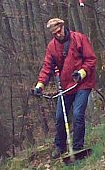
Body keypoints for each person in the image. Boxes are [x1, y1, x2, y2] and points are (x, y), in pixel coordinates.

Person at [31, 18, 97, 159]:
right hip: (66, 86)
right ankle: (60, 146)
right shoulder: (52, 47)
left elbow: (91, 59)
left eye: (59, 31)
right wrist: (39, 85)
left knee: (78, 114)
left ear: (63, 27)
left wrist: (82, 73)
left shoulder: (79, 38)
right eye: (55, 33)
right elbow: (47, 68)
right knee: (60, 117)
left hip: (83, 84)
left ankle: (77, 148)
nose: (58, 34)